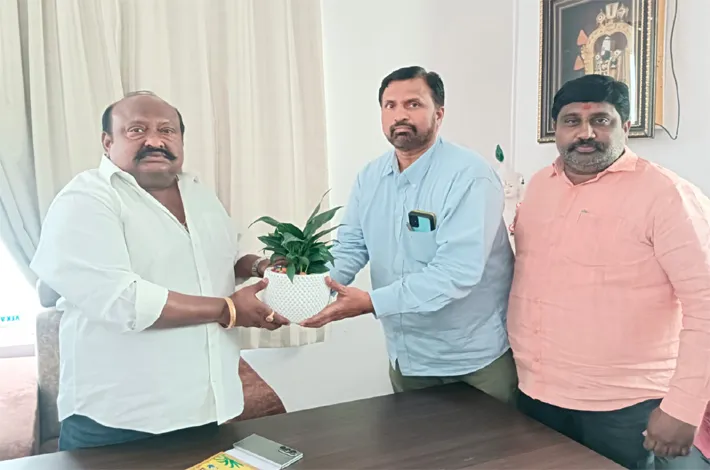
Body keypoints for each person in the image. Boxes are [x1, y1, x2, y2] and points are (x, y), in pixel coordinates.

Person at [30, 91, 289, 451]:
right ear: (108, 142)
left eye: (167, 130)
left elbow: (220, 260)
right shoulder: (86, 198)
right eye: (137, 130)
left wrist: (261, 266)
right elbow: (122, 300)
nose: (155, 140)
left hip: (208, 408)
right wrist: (229, 309)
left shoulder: (200, 194)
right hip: (120, 420)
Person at [508, 74, 710, 469]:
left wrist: (684, 407)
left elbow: (705, 305)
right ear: (555, 129)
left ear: (626, 126)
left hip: (627, 406)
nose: (585, 133)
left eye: (601, 120)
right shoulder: (540, 186)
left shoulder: (666, 195)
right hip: (537, 394)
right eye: (572, 121)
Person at [299, 66, 518, 403]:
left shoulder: (470, 177)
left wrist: (371, 302)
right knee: (412, 439)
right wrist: (308, 288)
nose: (400, 115)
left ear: (439, 114)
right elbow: (350, 247)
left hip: (474, 359)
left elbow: (456, 273)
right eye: (390, 105)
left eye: (413, 104)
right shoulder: (370, 177)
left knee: (492, 440)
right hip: (407, 357)